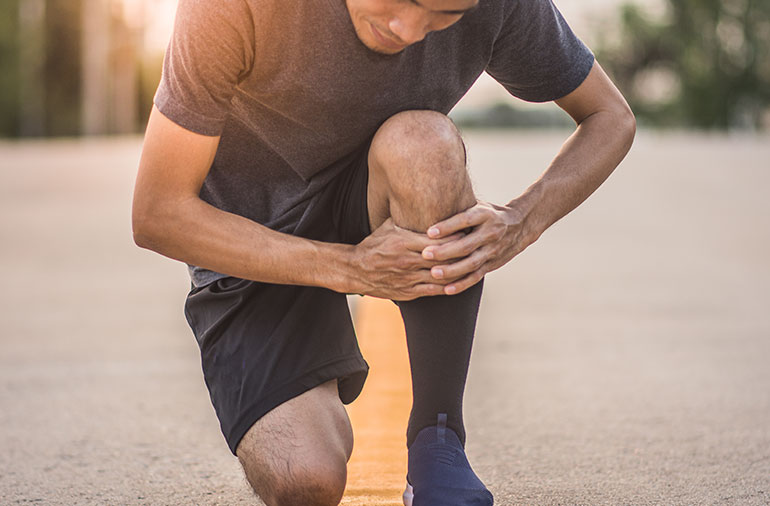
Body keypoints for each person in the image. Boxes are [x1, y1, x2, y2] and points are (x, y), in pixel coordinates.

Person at [132, 0, 635, 504]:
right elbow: (158, 211)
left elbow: (610, 116)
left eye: (444, 14)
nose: (409, 30)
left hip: (370, 187)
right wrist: (349, 268)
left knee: (426, 145)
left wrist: (522, 220)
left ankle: (438, 443)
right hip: (254, 235)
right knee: (305, 480)